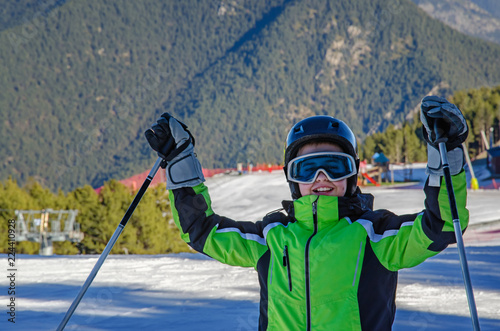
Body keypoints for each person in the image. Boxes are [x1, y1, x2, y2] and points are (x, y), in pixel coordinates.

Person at [145, 96, 469, 330]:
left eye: (334, 167)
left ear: (352, 175)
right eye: (307, 169)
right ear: (291, 178)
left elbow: (440, 226)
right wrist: (180, 161)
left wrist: (448, 154)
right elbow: (200, 230)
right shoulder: (270, 238)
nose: (321, 179)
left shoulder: (377, 236)